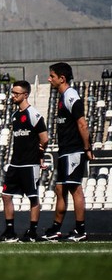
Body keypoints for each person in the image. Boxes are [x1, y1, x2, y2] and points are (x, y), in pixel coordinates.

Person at [42, 62, 93, 242]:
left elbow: (82, 124)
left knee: (75, 189)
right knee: (59, 188)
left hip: (74, 150)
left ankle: (81, 230)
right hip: (65, 151)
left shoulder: (71, 96)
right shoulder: (63, 97)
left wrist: (87, 148)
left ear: (62, 78)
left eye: (52, 76)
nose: (49, 79)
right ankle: (56, 229)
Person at [0, 79, 48, 242]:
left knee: (33, 197)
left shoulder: (34, 114)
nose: (13, 96)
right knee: (6, 195)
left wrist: (39, 155)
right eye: (12, 92)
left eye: (16, 93)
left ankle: (32, 232)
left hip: (30, 164)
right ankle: (9, 231)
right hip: (15, 163)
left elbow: (44, 138)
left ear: (25, 95)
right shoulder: (15, 116)